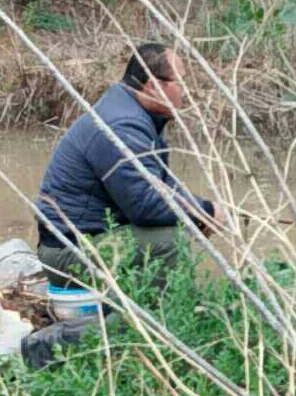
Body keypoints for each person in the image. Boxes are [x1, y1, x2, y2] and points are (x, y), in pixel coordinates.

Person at [34, 43, 224, 288]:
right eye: (181, 83)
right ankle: (150, 311)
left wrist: (199, 214)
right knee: (170, 241)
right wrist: (203, 212)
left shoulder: (130, 111)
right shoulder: (122, 125)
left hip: (81, 242)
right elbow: (144, 205)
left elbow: (160, 184)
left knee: (176, 227)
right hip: (68, 254)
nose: (186, 92)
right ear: (154, 87)